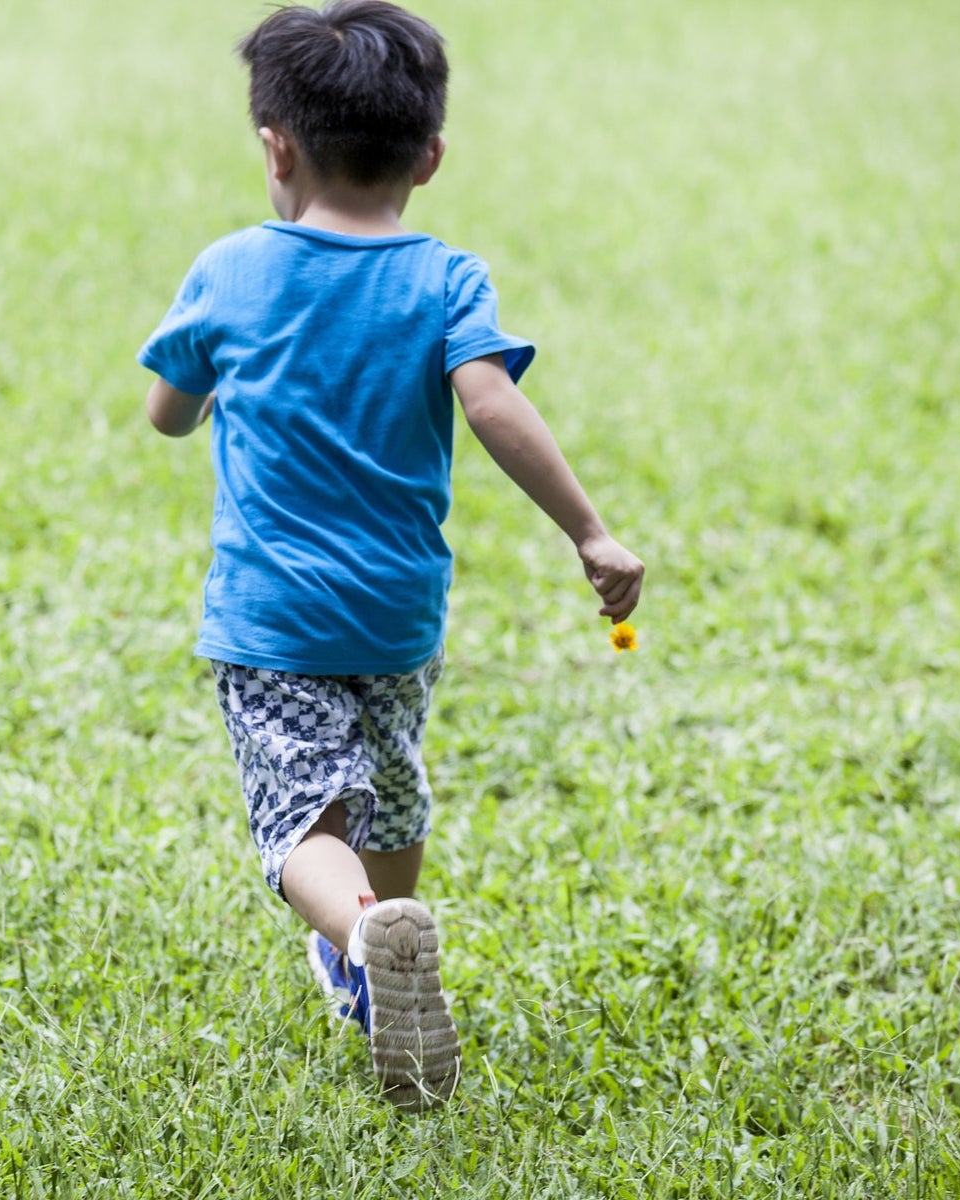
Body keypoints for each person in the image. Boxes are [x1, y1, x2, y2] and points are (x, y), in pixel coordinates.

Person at [137, 0, 644, 1111]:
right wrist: (589, 533)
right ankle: (383, 948)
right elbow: (493, 406)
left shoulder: (229, 270)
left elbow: (168, 413)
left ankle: (362, 937)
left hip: (273, 623)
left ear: (274, 148)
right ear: (429, 154)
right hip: (399, 616)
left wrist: (204, 386)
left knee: (299, 821)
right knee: (391, 797)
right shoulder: (445, 279)